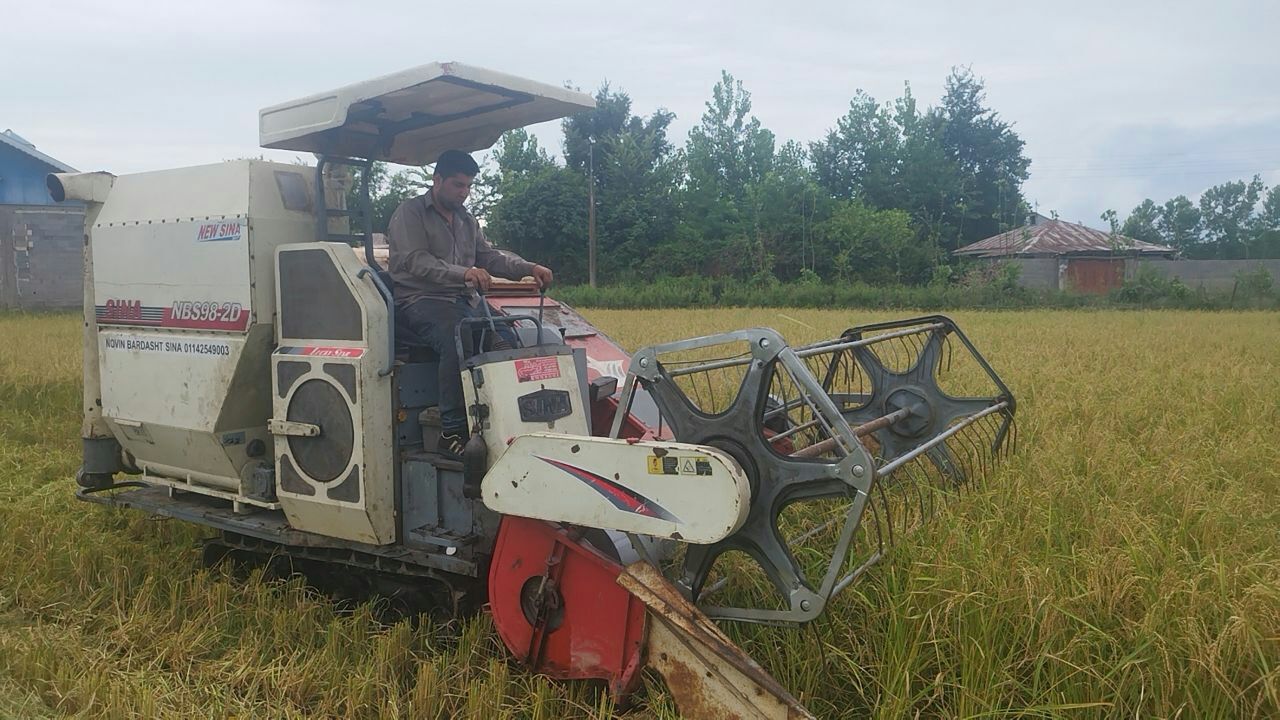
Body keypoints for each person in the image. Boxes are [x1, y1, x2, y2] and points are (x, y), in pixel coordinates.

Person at [387, 149, 553, 459]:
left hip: (462, 300)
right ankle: (450, 430)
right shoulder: (410, 213)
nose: (463, 193)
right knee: (458, 337)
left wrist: (529, 268)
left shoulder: (466, 219)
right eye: (457, 185)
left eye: (468, 186)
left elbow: (489, 257)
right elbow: (414, 261)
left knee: (507, 338)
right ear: (437, 180)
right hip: (419, 300)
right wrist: (464, 272)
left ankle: (505, 421)